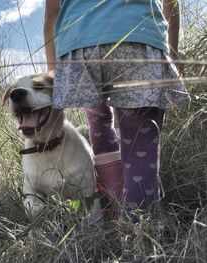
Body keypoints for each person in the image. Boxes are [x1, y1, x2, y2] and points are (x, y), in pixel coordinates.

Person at [44, 0, 190, 220]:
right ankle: (140, 232)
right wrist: (173, 52)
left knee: (98, 120)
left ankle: (113, 206)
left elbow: (51, 15)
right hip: (137, 37)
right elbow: (171, 4)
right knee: (140, 142)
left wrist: (53, 71)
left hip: (79, 44)